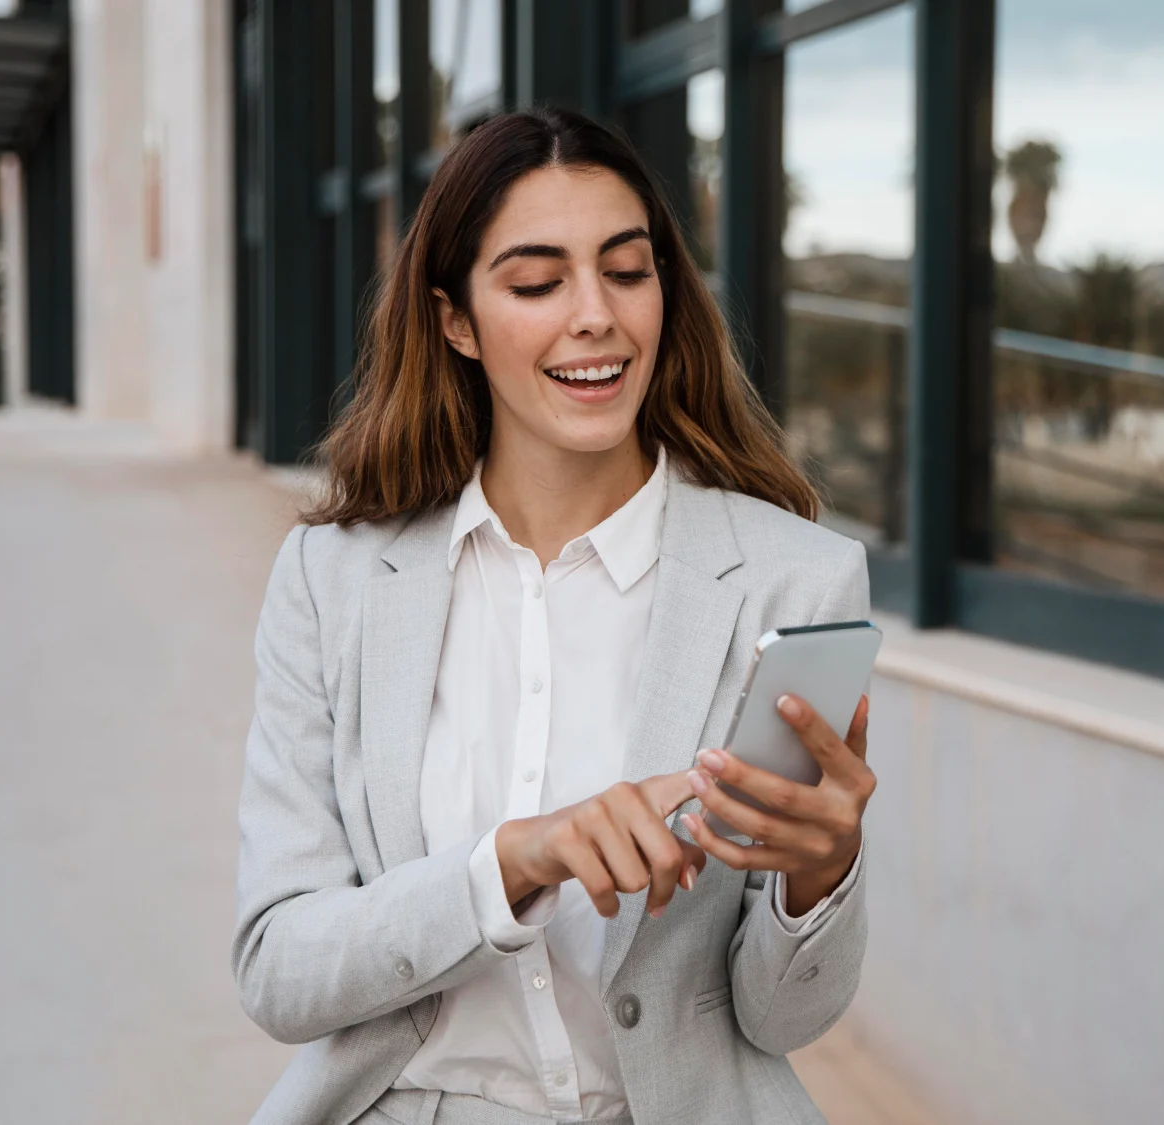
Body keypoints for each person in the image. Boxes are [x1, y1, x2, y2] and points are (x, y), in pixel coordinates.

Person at [232, 107, 875, 1125]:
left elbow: (782, 1017)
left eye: (627, 270)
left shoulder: (797, 581)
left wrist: (821, 873)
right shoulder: (332, 579)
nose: (596, 317)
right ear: (454, 321)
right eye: (537, 283)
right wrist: (511, 865)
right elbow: (279, 970)